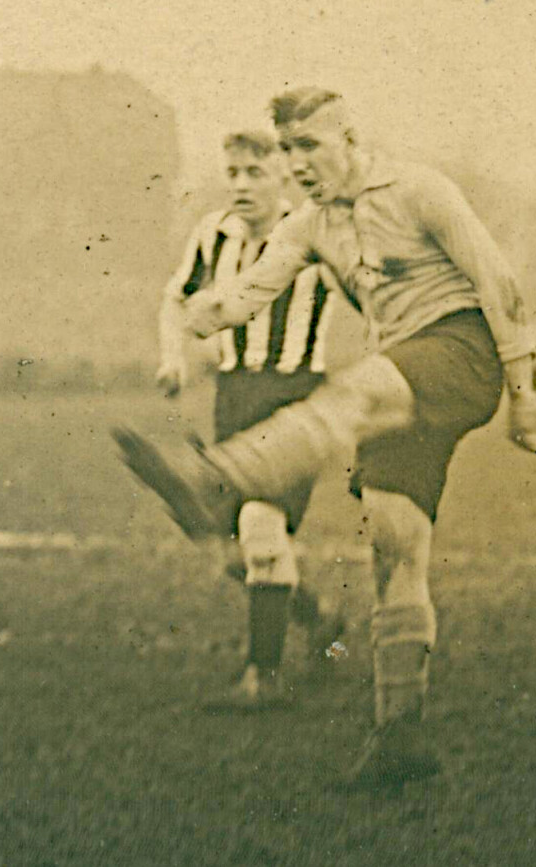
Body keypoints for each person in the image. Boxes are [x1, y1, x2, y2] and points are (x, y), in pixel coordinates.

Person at [115, 88, 536, 785]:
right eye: (287, 149)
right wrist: (199, 315)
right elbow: (251, 290)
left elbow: (495, 279)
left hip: (458, 351)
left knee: (354, 388)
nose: (297, 163)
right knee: (393, 544)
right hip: (402, 377)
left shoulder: (418, 190)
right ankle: (398, 738)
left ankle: (213, 480)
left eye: (308, 146)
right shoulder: (310, 225)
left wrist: (524, 394)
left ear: (350, 139)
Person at [156, 128, 342, 709]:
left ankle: (261, 678)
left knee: (261, 529)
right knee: (242, 552)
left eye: (254, 172)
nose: (240, 184)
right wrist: (173, 358)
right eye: (232, 172)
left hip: (295, 399)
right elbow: (176, 297)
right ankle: (319, 616)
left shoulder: (319, 232)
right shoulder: (214, 234)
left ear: (284, 176)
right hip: (232, 399)